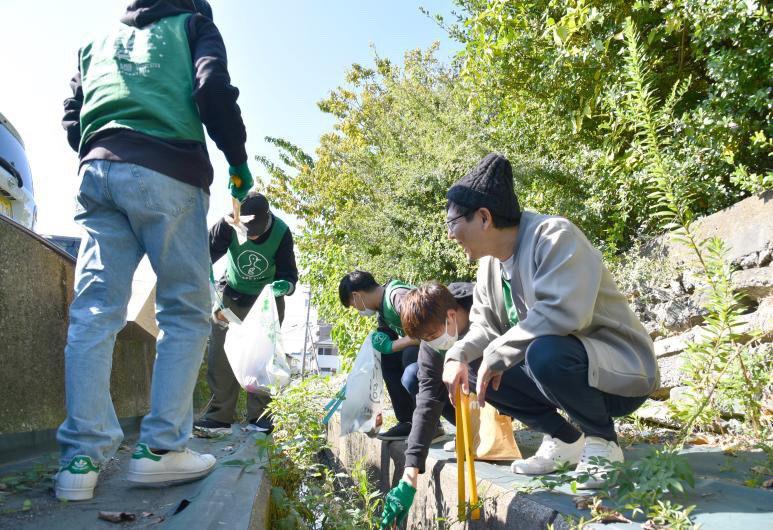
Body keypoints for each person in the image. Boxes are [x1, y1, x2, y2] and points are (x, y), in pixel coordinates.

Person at [55, 0, 252, 501]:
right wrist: (236, 160)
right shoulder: (193, 25)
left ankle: (80, 460)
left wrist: (101, 150)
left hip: (97, 171)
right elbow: (211, 90)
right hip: (169, 170)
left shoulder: (93, 43)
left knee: (94, 311)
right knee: (185, 310)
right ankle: (161, 451)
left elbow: (71, 117)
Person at [442, 153, 658, 489]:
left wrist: (497, 352)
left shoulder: (554, 236)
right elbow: (484, 327)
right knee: (473, 367)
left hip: (620, 374)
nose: (451, 235)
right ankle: (565, 441)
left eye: (453, 223)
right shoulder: (488, 267)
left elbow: (563, 314)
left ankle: (603, 444)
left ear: (484, 217)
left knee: (544, 352)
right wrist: (457, 354)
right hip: (558, 371)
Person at [194, 192, 298, 434]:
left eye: (253, 233)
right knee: (220, 356)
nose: (248, 237)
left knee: (263, 360)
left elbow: (289, 275)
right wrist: (210, 288)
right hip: (229, 293)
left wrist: (285, 286)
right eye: (244, 232)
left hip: (265, 301)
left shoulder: (281, 232)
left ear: (267, 221)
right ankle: (219, 416)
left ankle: (260, 418)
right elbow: (202, 256)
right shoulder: (228, 224)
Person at [380, 281, 475, 528]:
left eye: (432, 336)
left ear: (451, 316)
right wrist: (409, 476)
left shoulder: (482, 307)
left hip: (509, 381)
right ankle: (472, 431)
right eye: (425, 339)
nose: (431, 342)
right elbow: (427, 402)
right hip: (472, 401)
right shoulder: (432, 343)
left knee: (471, 369)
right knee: (415, 376)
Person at [339, 271, 422, 441]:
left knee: (408, 355)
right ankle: (407, 421)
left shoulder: (397, 296)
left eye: (355, 306)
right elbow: (387, 334)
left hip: (441, 350)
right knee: (387, 358)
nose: (358, 311)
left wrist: (393, 345)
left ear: (357, 296)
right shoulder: (383, 309)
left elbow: (428, 332)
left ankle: (429, 423)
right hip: (424, 349)